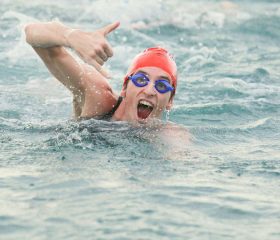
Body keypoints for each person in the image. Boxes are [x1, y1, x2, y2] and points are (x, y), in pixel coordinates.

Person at [24, 21, 178, 124]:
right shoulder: (99, 97)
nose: (150, 91)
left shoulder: (169, 135)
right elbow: (31, 32)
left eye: (162, 86)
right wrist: (70, 36)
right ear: (125, 88)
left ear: (170, 101)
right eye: (141, 80)